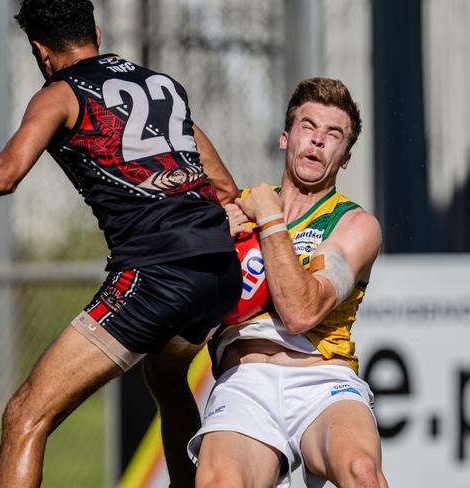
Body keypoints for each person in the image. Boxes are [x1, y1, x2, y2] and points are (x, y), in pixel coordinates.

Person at [0, 1, 242, 486]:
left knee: (25, 415)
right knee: (167, 379)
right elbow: (224, 187)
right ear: (96, 32)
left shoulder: (60, 94)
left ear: (40, 51)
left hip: (156, 275)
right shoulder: (162, 86)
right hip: (218, 269)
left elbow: (2, 175)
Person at [150, 77, 388, 488]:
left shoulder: (355, 224)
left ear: (345, 157)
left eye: (333, 135)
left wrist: (270, 220)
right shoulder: (234, 211)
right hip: (245, 379)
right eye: (308, 127)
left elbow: (300, 313)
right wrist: (206, 238)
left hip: (322, 381)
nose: (317, 142)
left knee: (362, 472)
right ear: (285, 137)